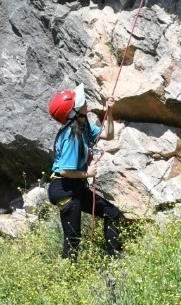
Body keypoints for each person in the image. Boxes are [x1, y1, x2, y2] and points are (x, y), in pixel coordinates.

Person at [47, 85, 123, 258]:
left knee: (112, 213)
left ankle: (116, 258)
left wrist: (109, 111)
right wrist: (87, 173)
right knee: (73, 238)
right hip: (64, 188)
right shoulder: (71, 136)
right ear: (74, 112)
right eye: (81, 103)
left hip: (75, 186)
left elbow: (108, 135)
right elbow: (66, 170)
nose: (85, 103)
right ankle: (68, 277)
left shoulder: (83, 126)